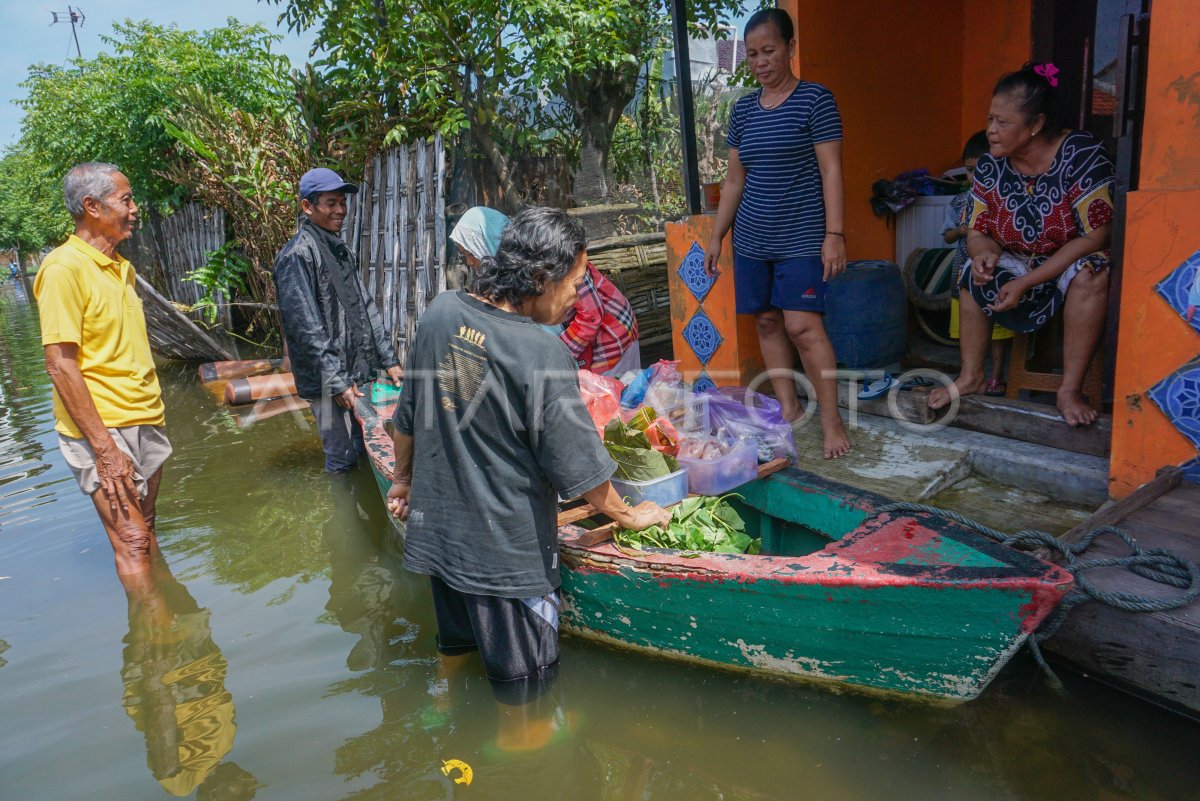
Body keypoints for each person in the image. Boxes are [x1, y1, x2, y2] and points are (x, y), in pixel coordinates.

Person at [386, 207, 670, 709]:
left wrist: (402, 482)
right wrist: (631, 514)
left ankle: (442, 710)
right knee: (529, 704)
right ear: (540, 278)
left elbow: (407, 417)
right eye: (575, 282)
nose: (578, 297)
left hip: (439, 537)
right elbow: (578, 464)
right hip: (507, 563)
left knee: (455, 648)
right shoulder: (540, 353)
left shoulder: (440, 311)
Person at [929, 64, 1114, 426]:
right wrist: (984, 254)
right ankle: (971, 376)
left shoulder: (1082, 154)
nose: (991, 131)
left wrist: (1027, 281)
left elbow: (1097, 235)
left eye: (1003, 122)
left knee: (1093, 271)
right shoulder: (990, 167)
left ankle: (1069, 389)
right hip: (1017, 260)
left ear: (1036, 124)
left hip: (1067, 262)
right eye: (990, 119)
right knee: (970, 268)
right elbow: (978, 229)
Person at [703, 7, 851, 460]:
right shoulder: (743, 109)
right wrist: (716, 237)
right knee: (767, 321)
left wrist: (835, 233)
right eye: (752, 54)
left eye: (769, 50)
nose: (760, 61)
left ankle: (830, 420)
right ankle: (787, 410)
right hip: (752, 238)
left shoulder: (815, 100)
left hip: (803, 236)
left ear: (790, 48)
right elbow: (733, 181)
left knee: (803, 326)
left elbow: (831, 170)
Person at [34, 162, 172, 577]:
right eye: (126, 200)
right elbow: (59, 365)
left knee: (145, 529)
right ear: (92, 206)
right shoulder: (63, 269)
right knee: (131, 540)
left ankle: (164, 624)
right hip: (103, 428)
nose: (135, 208)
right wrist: (106, 451)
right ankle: (155, 636)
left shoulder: (121, 268)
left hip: (145, 414)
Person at [273, 167, 403, 472]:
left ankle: (368, 508)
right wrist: (337, 382)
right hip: (327, 379)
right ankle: (345, 516)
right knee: (341, 458)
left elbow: (364, 305)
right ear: (308, 206)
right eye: (331, 203)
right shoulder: (297, 256)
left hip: (358, 369)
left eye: (342, 203)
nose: (341, 210)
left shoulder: (338, 248)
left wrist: (388, 359)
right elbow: (307, 329)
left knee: (365, 445)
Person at [452, 206, 641, 378]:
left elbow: (591, 315)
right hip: (586, 344)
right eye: (464, 254)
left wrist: (558, 355)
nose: (469, 261)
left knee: (614, 398)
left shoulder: (556, 259)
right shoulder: (511, 279)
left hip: (612, 336)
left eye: (470, 252)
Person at [943, 130, 1013, 396]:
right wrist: (962, 231)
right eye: (970, 171)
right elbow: (947, 235)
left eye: (982, 170)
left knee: (998, 332)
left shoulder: (1004, 201)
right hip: (964, 270)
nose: (975, 177)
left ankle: (995, 376)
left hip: (994, 274)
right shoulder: (959, 201)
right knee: (967, 330)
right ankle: (971, 374)